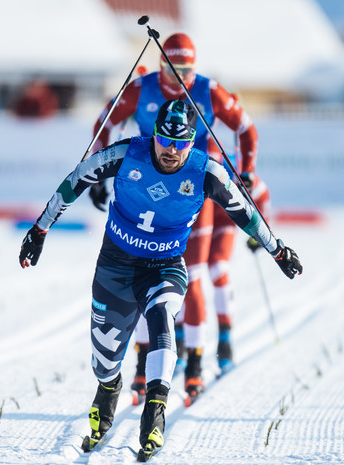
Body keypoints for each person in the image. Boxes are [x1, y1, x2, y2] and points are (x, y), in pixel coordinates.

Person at [18, 99, 301, 460]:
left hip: (165, 265)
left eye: (181, 143)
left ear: (192, 142)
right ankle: (108, 388)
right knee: (103, 361)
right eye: (164, 140)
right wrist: (40, 230)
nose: (171, 150)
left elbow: (246, 212)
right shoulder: (126, 154)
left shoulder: (206, 172)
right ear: (153, 135)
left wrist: (278, 250)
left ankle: (155, 410)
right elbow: (74, 181)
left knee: (162, 317)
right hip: (115, 266)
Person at [88, 32, 270, 404]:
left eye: (185, 69)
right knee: (139, 275)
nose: (177, 77)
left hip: (190, 195)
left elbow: (246, 128)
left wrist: (247, 172)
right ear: (159, 65)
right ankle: (142, 366)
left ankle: (196, 363)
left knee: (198, 273)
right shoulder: (141, 89)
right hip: (141, 192)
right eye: (171, 69)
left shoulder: (209, 90)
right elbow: (105, 123)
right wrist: (99, 173)